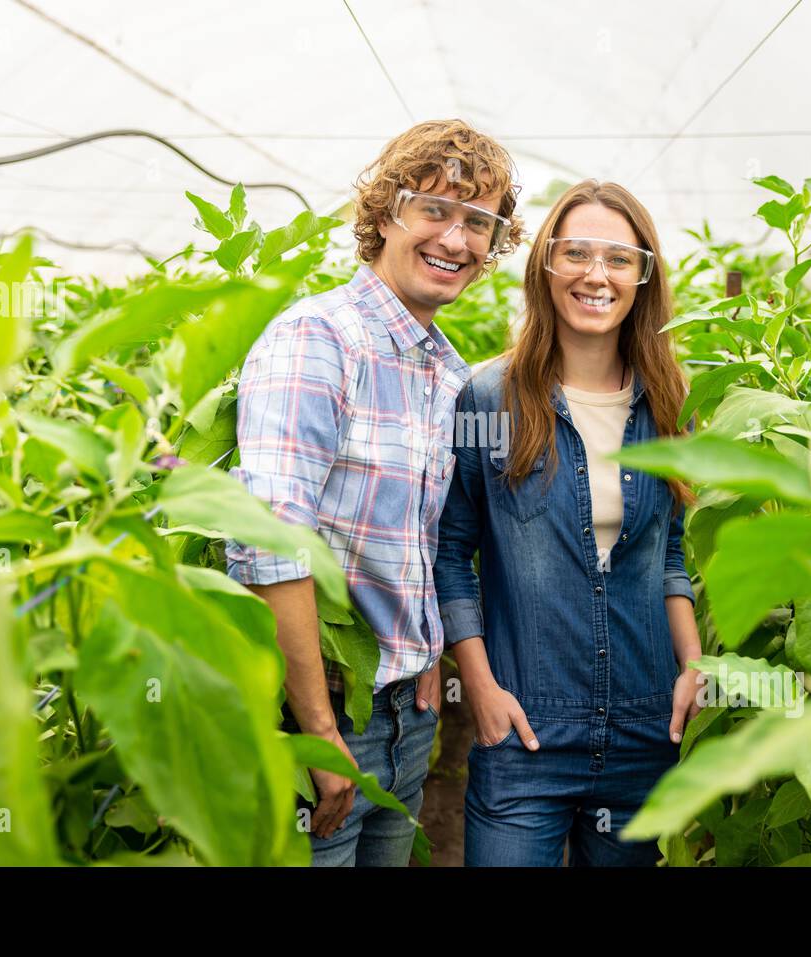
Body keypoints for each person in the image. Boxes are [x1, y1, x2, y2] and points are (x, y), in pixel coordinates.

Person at [227, 120, 524, 866]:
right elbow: (269, 543)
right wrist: (319, 731)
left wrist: (423, 646)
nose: (456, 240)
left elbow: (422, 538)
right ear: (386, 214)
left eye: (479, 223)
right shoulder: (318, 341)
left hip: (408, 714)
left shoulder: (448, 373)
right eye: (435, 210)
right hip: (320, 710)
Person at [434, 179, 705, 867]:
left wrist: (693, 666)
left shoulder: (672, 401)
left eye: (618, 257)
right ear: (545, 267)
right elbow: (451, 551)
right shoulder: (489, 397)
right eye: (575, 253)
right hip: (523, 736)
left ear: (643, 276)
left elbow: (670, 552)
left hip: (646, 734)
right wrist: (483, 690)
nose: (595, 274)